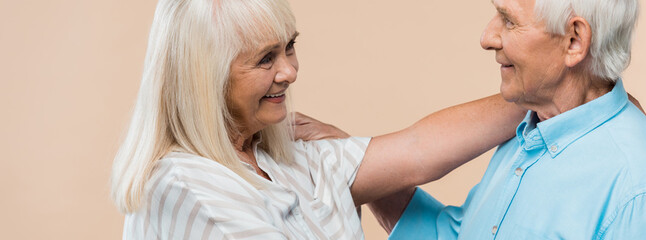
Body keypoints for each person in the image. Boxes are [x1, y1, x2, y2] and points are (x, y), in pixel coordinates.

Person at [109, 0, 527, 239]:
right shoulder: (184, 186)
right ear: (206, 78)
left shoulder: (281, 154)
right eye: (265, 59)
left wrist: (550, 87)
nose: (289, 71)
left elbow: (419, 150)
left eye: (289, 48)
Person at [363, 0, 646, 239]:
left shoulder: (641, 189)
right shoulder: (529, 129)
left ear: (574, 41)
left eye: (508, 19)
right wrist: (347, 165)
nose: (487, 37)